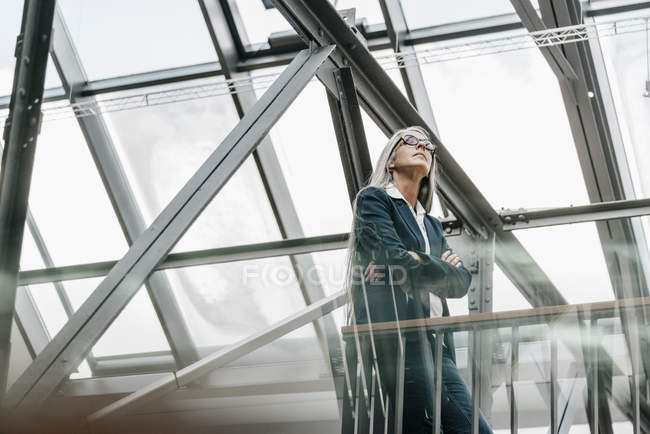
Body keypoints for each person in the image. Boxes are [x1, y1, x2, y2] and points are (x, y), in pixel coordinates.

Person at [344, 126, 493, 433]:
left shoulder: (433, 225)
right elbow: (391, 256)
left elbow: (462, 282)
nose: (422, 146)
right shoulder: (374, 199)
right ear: (390, 160)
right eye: (410, 140)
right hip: (400, 340)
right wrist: (435, 266)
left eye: (428, 144)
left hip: (437, 345)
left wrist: (417, 260)